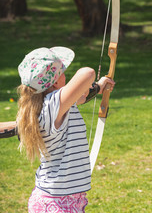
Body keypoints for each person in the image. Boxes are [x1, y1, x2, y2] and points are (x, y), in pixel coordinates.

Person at [16, 46, 115, 212]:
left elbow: (81, 96)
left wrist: (99, 86)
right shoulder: (52, 105)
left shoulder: (45, 104)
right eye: (62, 72)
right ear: (55, 81)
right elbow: (87, 73)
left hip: (58, 198)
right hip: (58, 202)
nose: (65, 75)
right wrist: (90, 84)